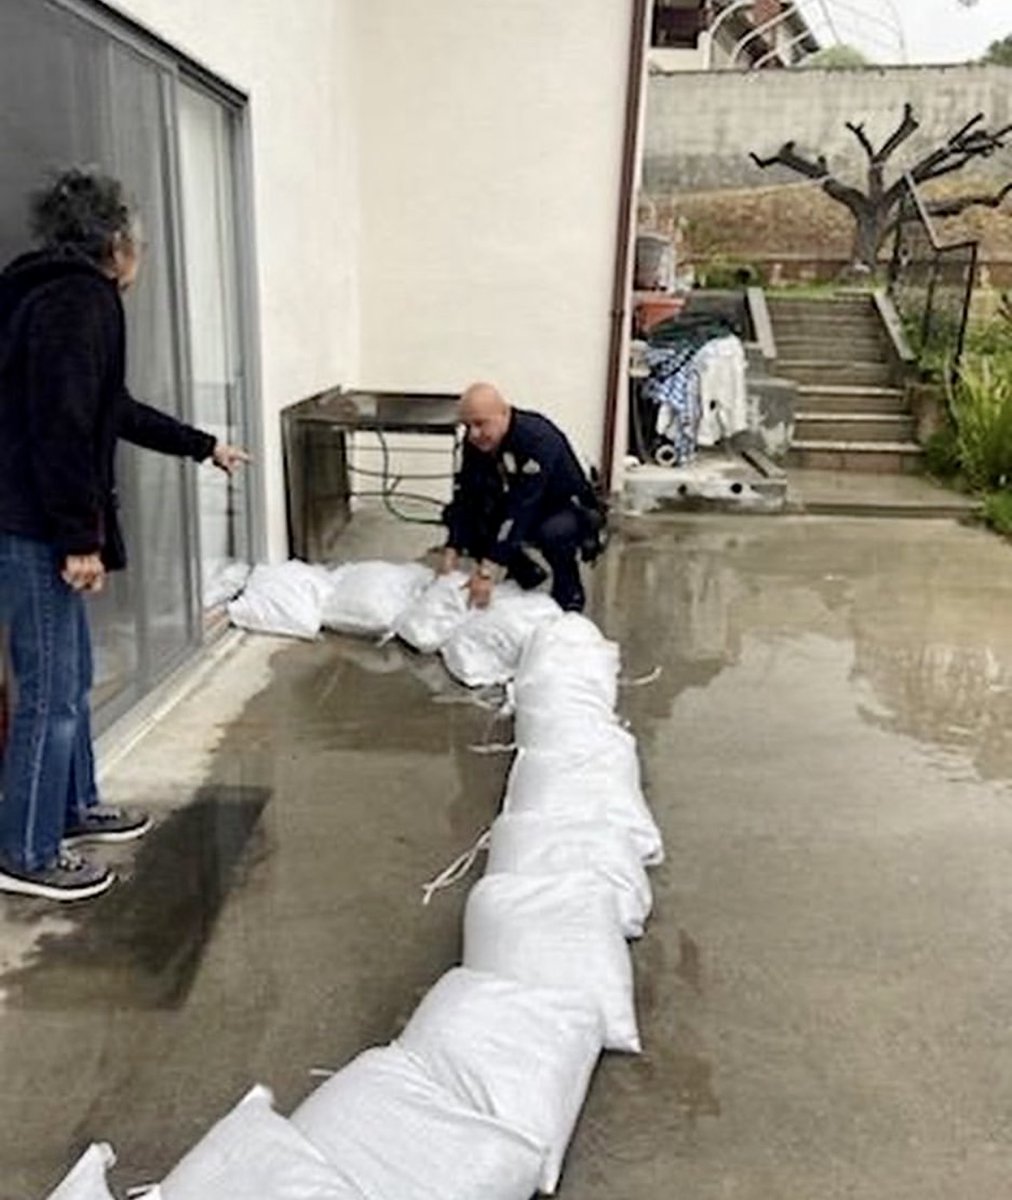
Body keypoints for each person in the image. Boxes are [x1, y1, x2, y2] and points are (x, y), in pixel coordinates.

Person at [0, 168, 250, 901]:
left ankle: (72, 808)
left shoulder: (47, 294)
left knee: (70, 679)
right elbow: (64, 425)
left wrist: (203, 444)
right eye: (137, 242)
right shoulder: (79, 301)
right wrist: (78, 538)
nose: (140, 255)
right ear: (116, 244)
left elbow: (111, 408)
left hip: (30, 519)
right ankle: (24, 849)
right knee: (50, 690)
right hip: (31, 527)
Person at [440, 382, 605, 613]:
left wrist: (488, 570)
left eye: (480, 423)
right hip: (519, 502)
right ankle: (525, 573)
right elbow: (467, 495)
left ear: (503, 413)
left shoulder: (536, 439)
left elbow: (522, 506)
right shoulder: (475, 443)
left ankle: (569, 590)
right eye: (467, 425)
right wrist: (453, 547)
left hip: (561, 507)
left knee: (553, 532)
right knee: (459, 516)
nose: (474, 434)